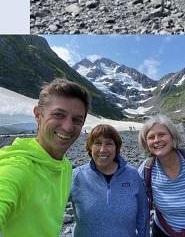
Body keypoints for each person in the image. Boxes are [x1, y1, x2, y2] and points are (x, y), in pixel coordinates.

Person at [0, 78, 90, 237]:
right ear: (38, 115)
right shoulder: (18, 166)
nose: (68, 127)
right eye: (58, 114)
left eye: (77, 120)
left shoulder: (65, 166)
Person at [71, 124, 149, 237]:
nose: (103, 149)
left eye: (109, 143)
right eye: (97, 143)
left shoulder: (132, 175)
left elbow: (143, 214)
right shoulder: (76, 176)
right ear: (90, 147)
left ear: (116, 148)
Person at [138, 115, 185, 237]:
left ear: (172, 136)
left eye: (162, 134)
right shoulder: (146, 168)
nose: (157, 140)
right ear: (146, 142)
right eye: (151, 137)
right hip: (164, 233)